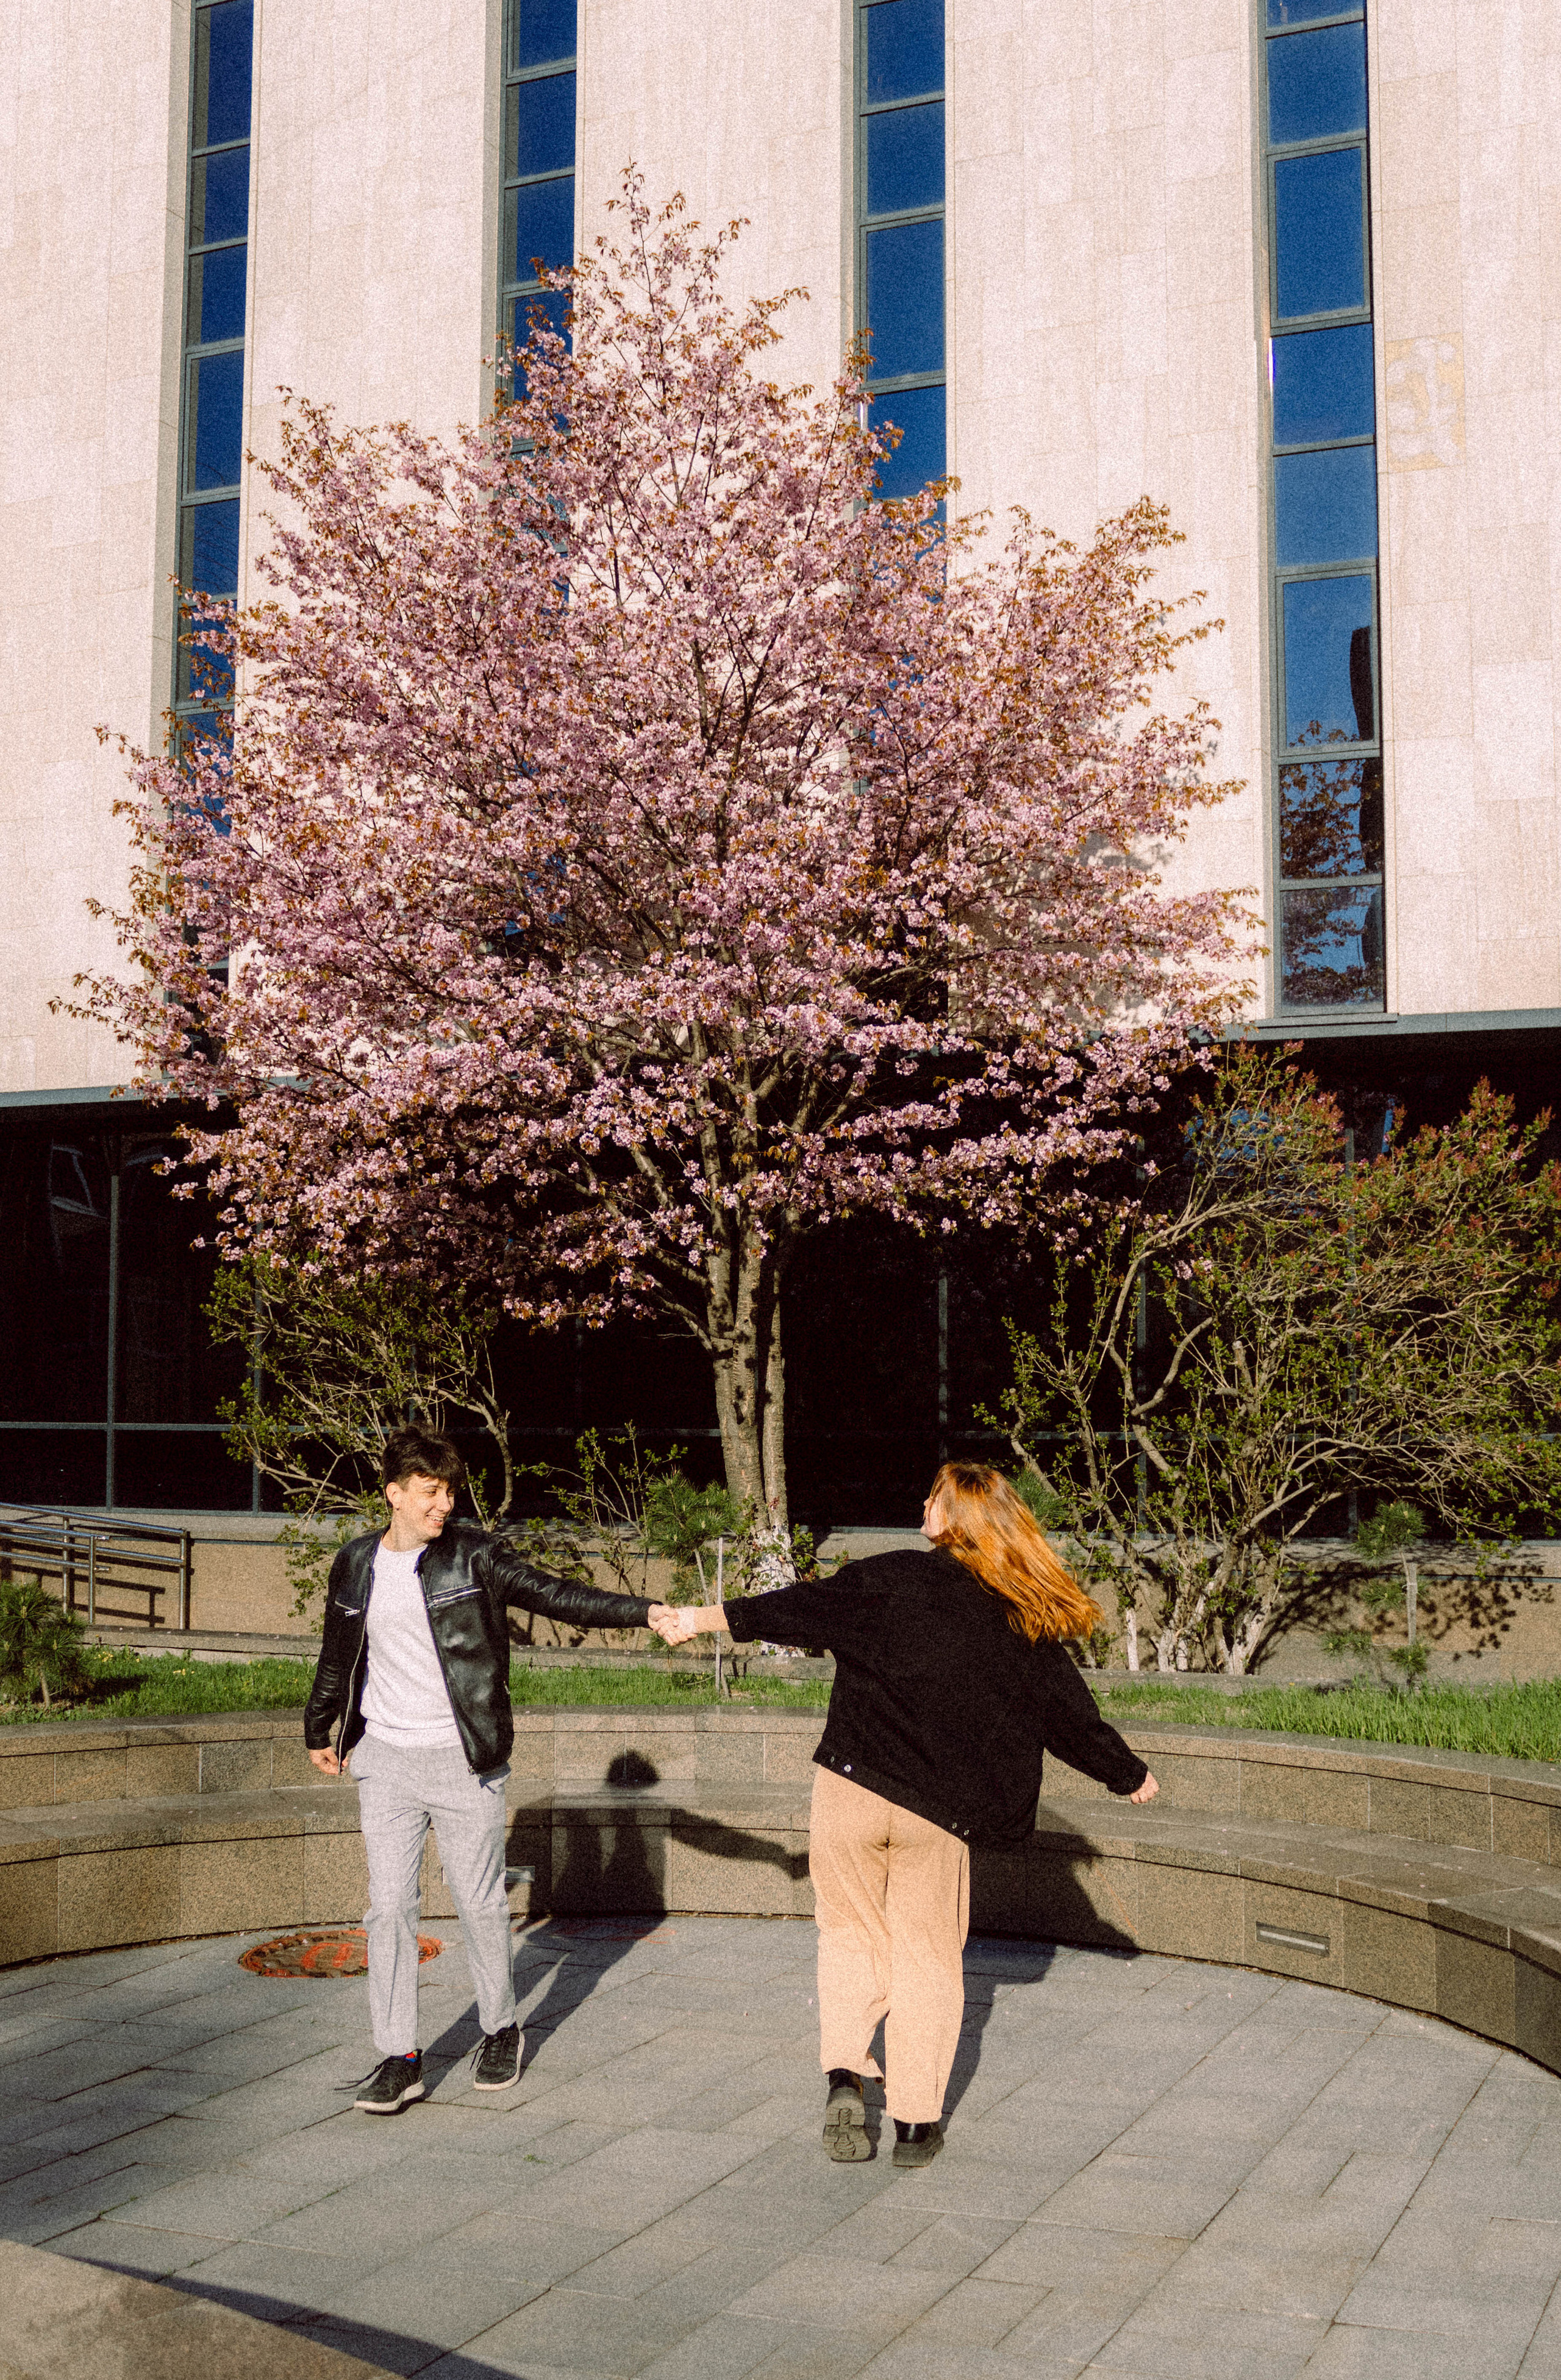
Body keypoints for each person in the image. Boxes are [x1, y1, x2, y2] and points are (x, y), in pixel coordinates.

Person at [659, 1461, 1158, 2168]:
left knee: (851, 1934)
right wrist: (1127, 1774)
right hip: (940, 1815)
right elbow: (1069, 1716)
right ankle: (917, 2123)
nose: (921, 1502)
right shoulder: (1020, 1614)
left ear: (948, 1518)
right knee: (927, 1957)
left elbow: (796, 1606)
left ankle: (844, 2073)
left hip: (851, 1789)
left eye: (931, 1496)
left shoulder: (888, 1576)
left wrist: (696, 1620)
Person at [305, 1424, 682, 2113]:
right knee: (388, 1907)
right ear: (393, 1494)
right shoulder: (356, 1562)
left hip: (462, 1756)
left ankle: (499, 2026)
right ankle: (399, 2055)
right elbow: (337, 1651)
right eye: (428, 1492)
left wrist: (645, 1610)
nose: (442, 1505)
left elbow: (557, 1594)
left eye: (449, 1492)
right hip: (384, 1756)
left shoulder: (475, 1558)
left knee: (478, 1903)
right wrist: (317, 1725)